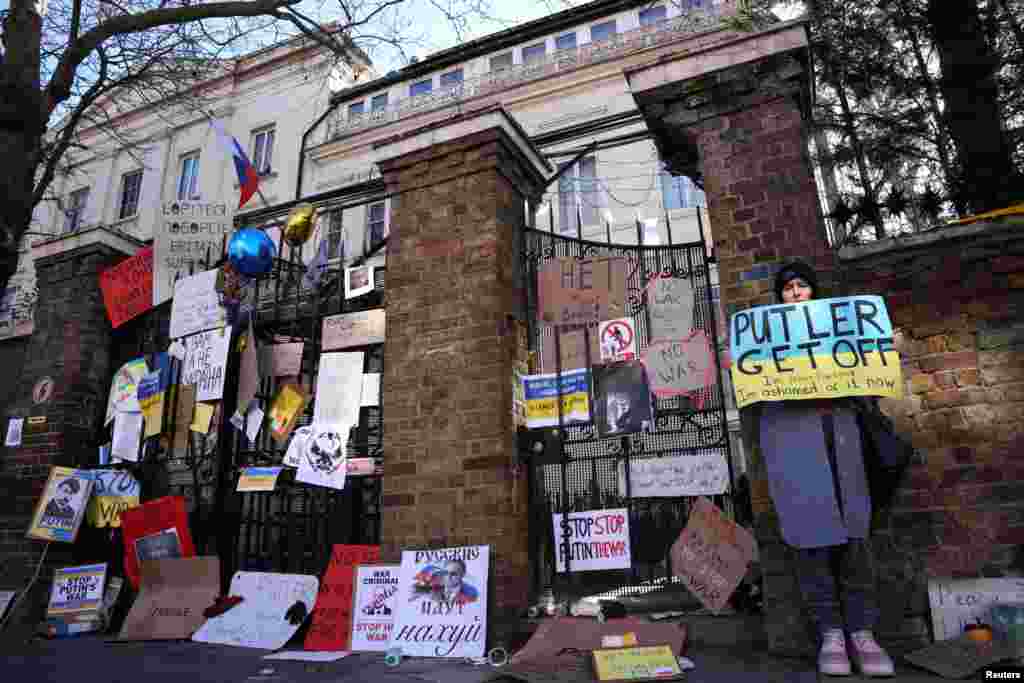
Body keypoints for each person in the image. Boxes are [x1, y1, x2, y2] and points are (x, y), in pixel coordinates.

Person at [756, 261, 895, 677]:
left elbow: (868, 379)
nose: (795, 293)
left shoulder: (840, 331)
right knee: (809, 542)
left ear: (814, 292)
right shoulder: (766, 341)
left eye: (802, 286)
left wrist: (883, 352)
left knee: (856, 543)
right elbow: (755, 394)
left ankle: (862, 633)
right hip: (795, 444)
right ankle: (831, 633)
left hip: (842, 441)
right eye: (787, 288)